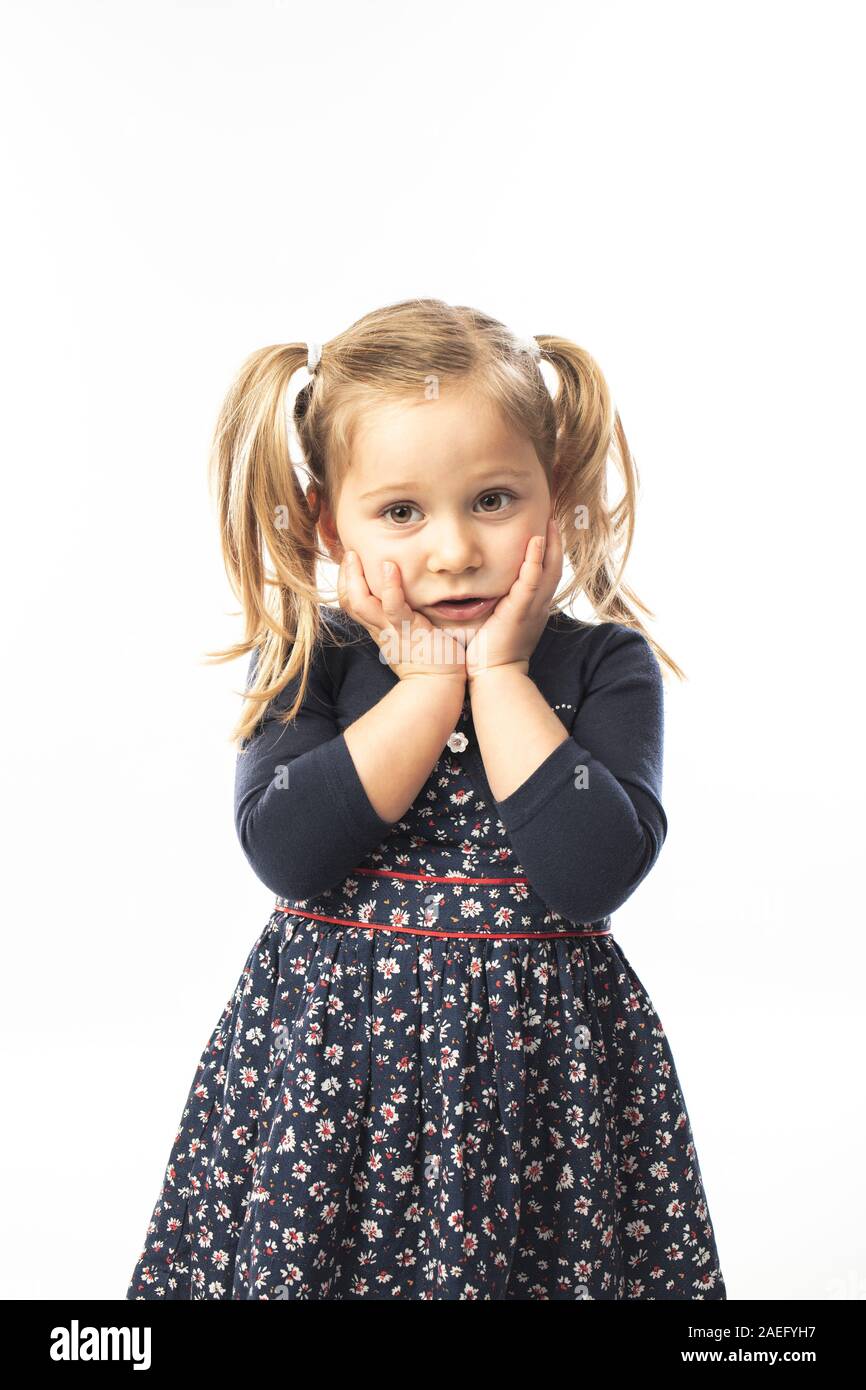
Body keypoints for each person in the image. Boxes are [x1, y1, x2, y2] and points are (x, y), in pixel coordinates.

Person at [126, 297, 726, 1300]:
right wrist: (428, 683)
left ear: (560, 493)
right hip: (334, 1067)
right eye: (401, 512)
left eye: (492, 499)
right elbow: (287, 849)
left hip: (536, 1082)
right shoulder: (312, 655)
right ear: (329, 523)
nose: (452, 550)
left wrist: (497, 675)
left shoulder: (603, 666)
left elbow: (588, 872)